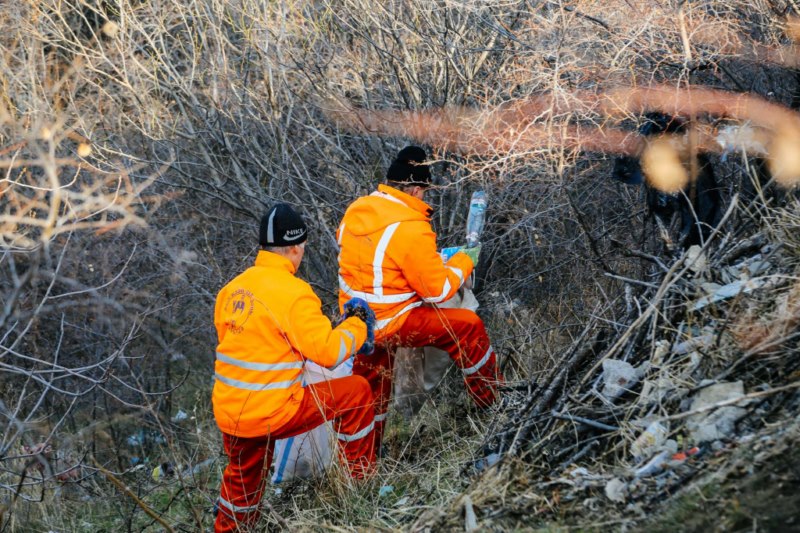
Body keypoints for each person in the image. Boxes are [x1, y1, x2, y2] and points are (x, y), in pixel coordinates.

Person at [213, 203, 376, 532]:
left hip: (231, 412)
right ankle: (360, 483)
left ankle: (228, 526)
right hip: (273, 411)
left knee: (242, 484)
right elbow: (329, 353)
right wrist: (357, 324)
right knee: (356, 392)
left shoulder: (231, 290)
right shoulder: (294, 293)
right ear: (296, 248)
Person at [336, 146, 503, 450]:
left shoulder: (357, 210)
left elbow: (379, 263)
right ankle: (492, 403)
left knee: (370, 389)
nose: (424, 197)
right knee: (468, 327)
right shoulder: (410, 226)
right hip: (395, 321)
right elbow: (438, 290)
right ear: (415, 189)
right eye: (424, 191)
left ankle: (362, 461)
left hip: (359, 321)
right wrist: (465, 260)